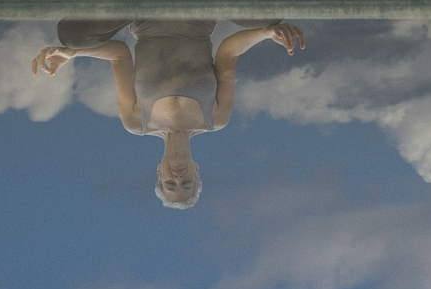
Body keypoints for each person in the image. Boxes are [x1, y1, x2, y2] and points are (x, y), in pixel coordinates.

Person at [33, 18, 307, 208]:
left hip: (144, 14)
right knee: (271, 19)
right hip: (199, 14)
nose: (178, 178)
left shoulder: (135, 122)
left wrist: (74, 54)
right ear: (197, 172)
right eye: (187, 183)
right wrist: (267, 34)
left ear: (159, 172)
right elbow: (228, 54)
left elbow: (118, 54)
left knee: (71, 37)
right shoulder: (216, 119)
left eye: (170, 184)